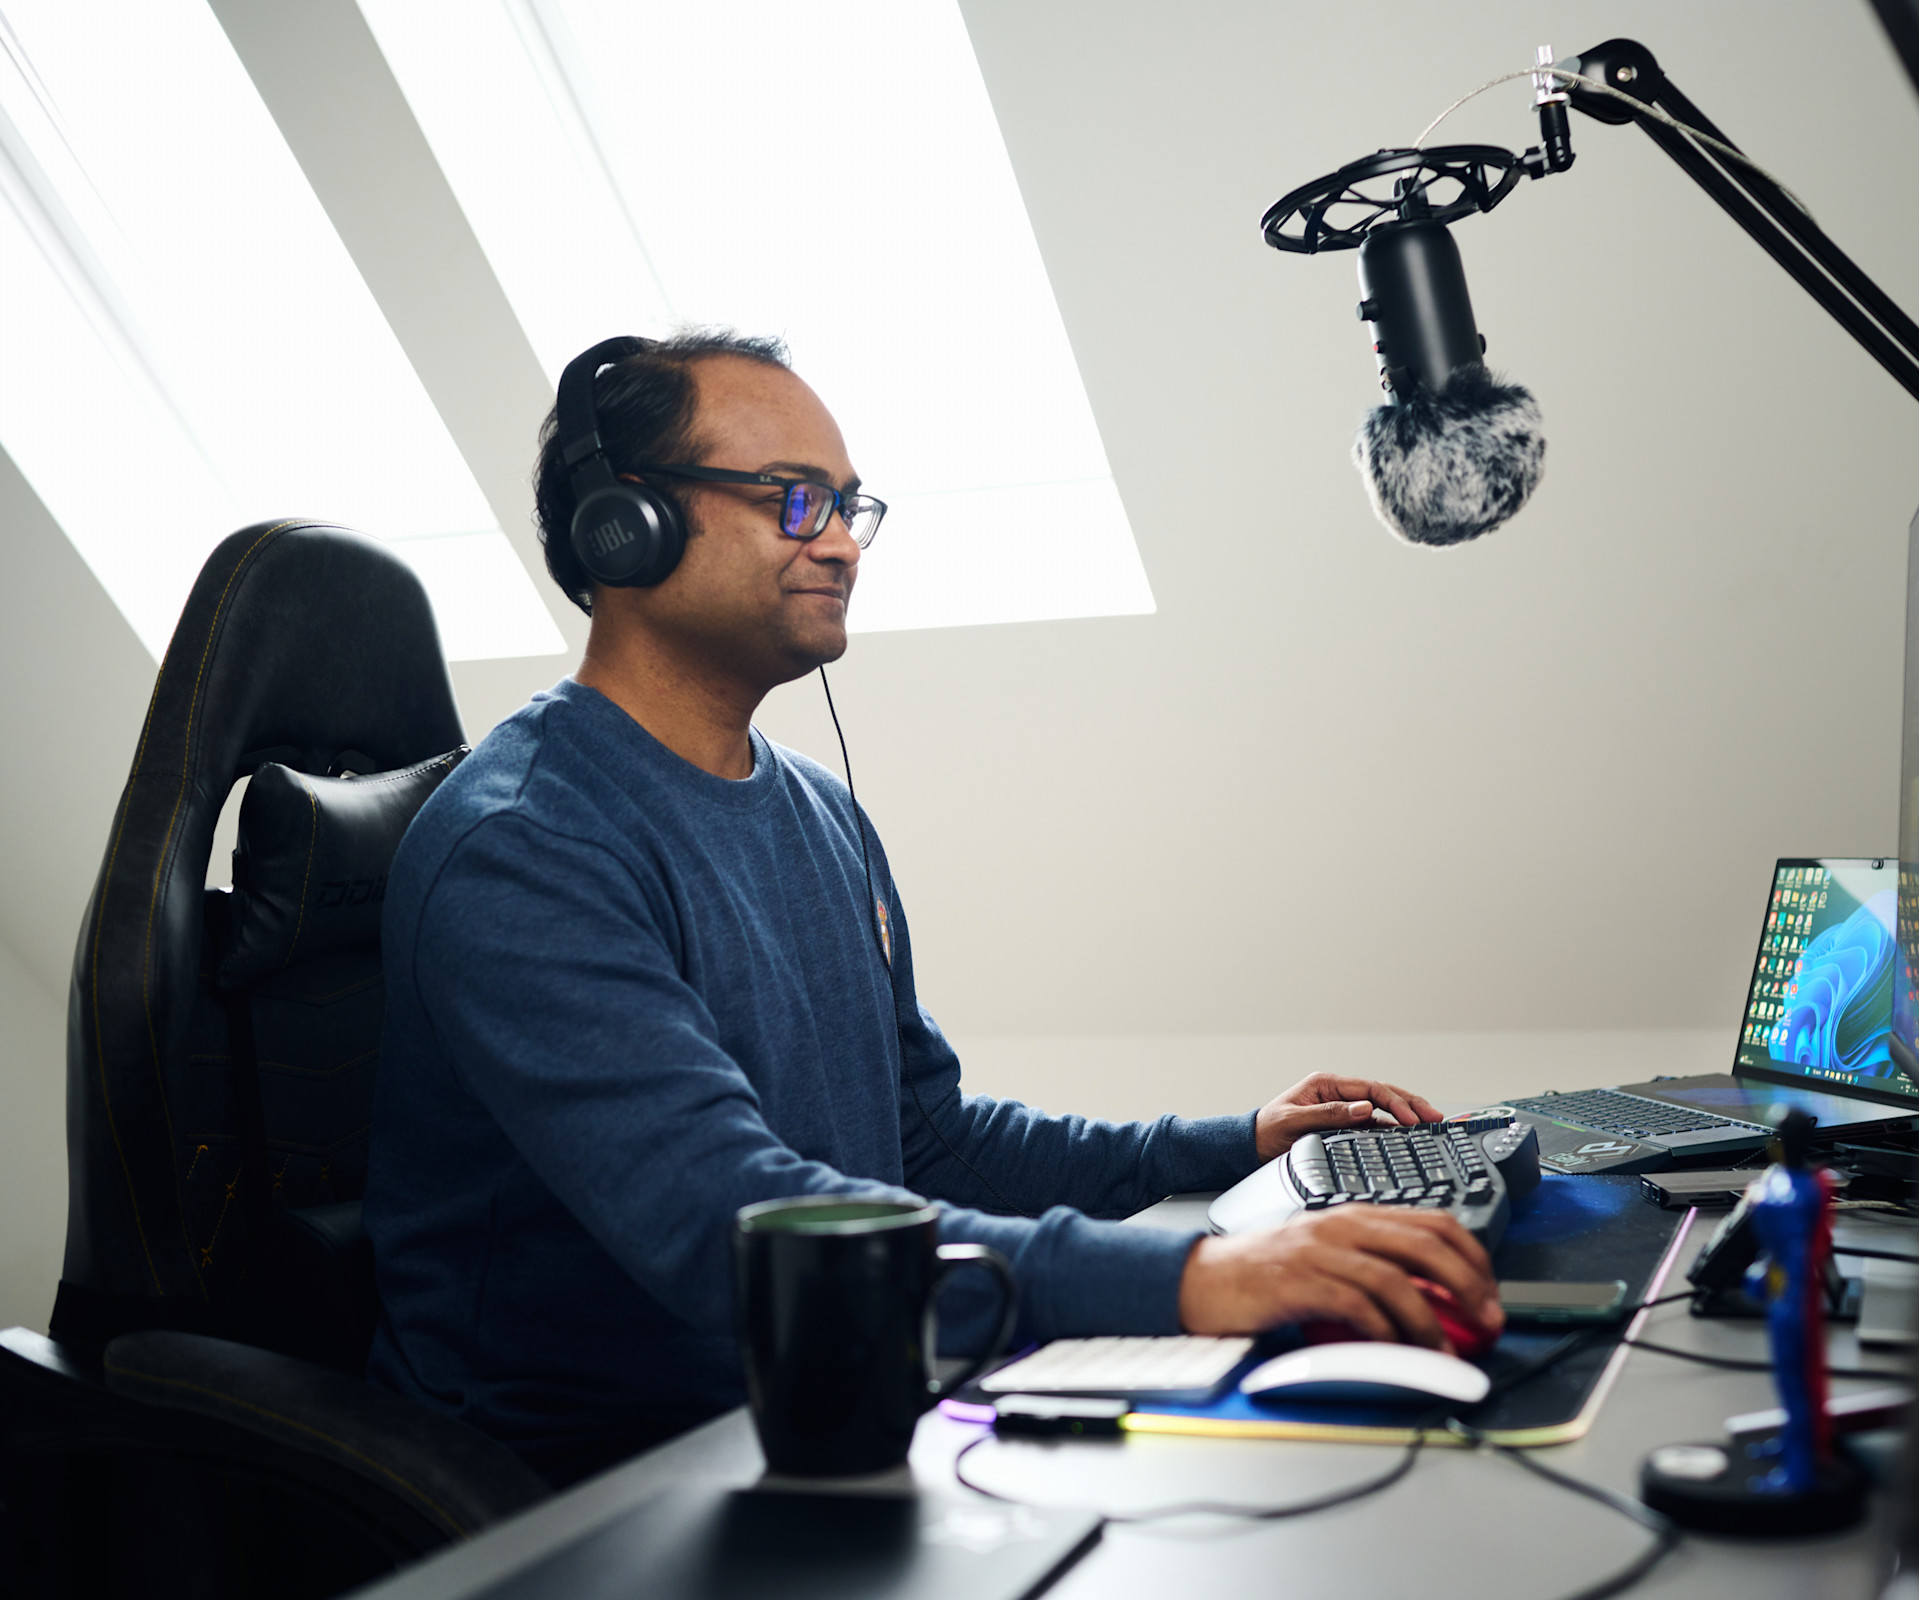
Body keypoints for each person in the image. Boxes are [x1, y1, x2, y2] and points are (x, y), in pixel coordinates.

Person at [364, 330, 1502, 1484]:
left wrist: (1229, 1145)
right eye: (795, 500)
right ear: (627, 524)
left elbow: (926, 1140)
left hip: (831, 1405)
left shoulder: (819, 811)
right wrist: (1194, 1280)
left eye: (854, 506)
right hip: (592, 1487)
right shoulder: (527, 844)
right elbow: (732, 1221)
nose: (846, 544)